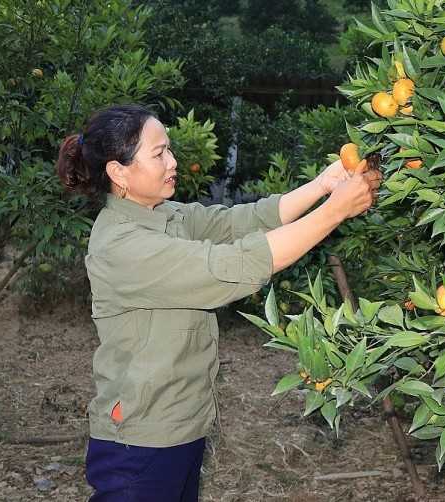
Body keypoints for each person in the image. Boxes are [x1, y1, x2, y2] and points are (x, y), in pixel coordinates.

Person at [55, 103, 382, 501]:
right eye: (158, 154)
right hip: (140, 440)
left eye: (169, 149)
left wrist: (321, 187)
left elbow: (240, 222)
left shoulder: (163, 215)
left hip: (183, 425)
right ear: (118, 171)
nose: (173, 161)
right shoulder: (123, 245)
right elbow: (235, 264)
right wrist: (334, 212)